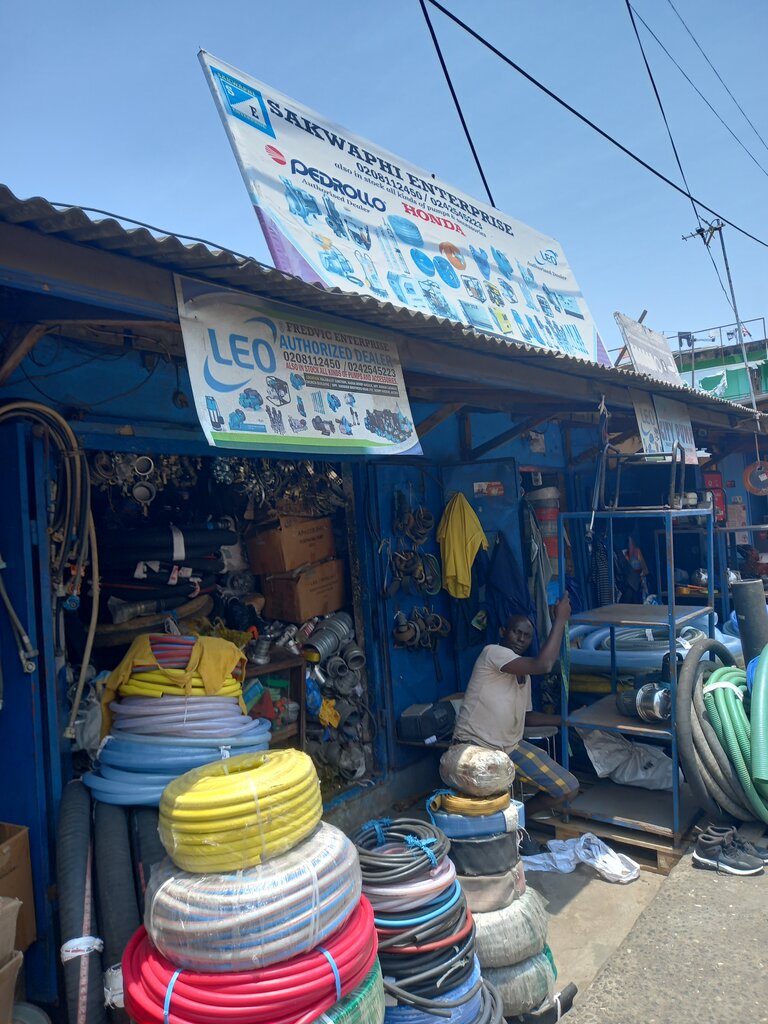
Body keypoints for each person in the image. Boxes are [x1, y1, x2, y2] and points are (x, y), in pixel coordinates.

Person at [452, 594, 578, 825]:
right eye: (516, 632)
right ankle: (502, 830)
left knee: (567, 788)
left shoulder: (524, 674)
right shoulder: (492, 653)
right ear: (502, 632)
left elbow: (526, 717)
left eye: (527, 635)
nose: (521, 638)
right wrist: (560, 620)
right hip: (476, 746)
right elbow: (544, 665)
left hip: (509, 748)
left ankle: (516, 822)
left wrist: (563, 720)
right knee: (490, 796)